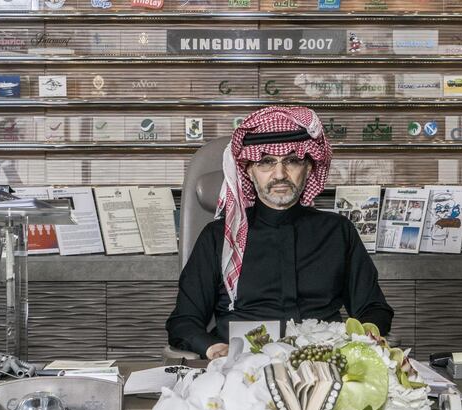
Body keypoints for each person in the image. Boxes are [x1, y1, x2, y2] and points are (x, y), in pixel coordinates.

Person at [166, 106, 394, 359]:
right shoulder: (219, 237)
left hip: (324, 363)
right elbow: (183, 321)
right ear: (249, 171)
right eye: (266, 162)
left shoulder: (338, 232)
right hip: (242, 365)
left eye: (292, 161)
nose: (280, 175)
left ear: (308, 168)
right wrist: (213, 348)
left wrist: (369, 332)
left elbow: (373, 307)